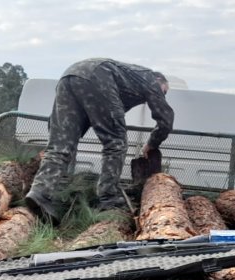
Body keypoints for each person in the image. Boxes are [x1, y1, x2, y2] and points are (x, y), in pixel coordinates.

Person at [25, 58, 174, 223]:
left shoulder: (131, 80)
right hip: (97, 76)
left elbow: (97, 112)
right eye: (164, 92)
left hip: (70, 76)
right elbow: (166, 120)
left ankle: (40, 193)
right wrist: (152, 143)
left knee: (60, 145)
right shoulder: (150, 79)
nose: (162, 96)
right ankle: (109, 197)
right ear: (159, 81)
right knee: (116, 143)